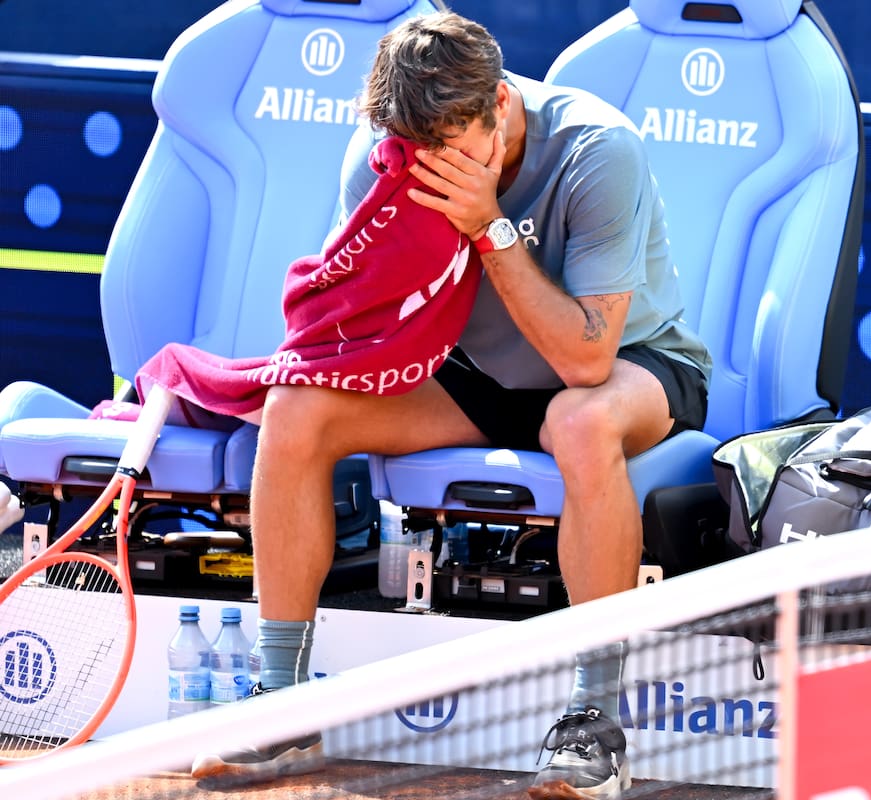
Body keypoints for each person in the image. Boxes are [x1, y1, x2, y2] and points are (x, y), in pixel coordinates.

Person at [190, 11, 711, 799]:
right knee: (297, 407)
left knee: (576, 421)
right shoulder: (386, 163)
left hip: (630, 368)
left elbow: (585, 357)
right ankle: (282, 697)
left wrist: (488, 228)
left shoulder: (600, 151)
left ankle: (593, 724)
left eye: (455, 150)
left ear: (500, 105)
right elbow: (354, 321)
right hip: (472, 376)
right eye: (414, 155)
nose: (430, 171)